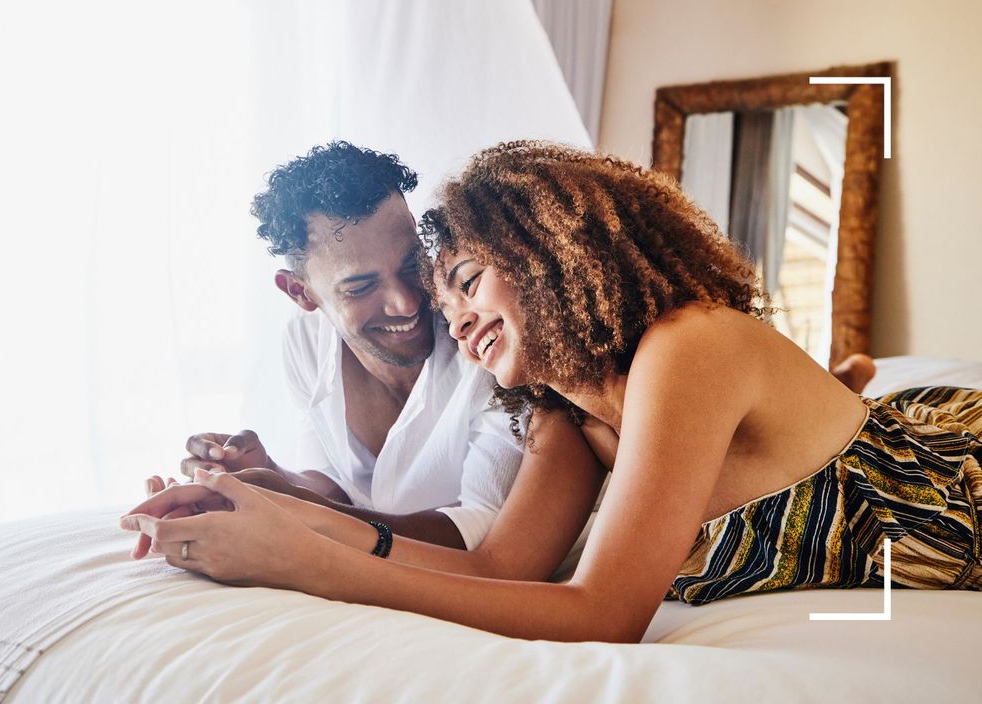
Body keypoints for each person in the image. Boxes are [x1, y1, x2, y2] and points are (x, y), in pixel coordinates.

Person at [122, 141, 981, 643]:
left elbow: (602, 613)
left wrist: (311, 564)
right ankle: (844, 392)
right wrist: (260, 509)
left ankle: (850, 397)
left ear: (548, 256)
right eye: (446, 296)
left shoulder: (692, 349)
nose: (446, 319)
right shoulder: (565, 417)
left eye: (461, 279)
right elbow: (497, 569)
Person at [139, 141, 589, 576]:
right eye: (360, 287)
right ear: (301, 292)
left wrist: (293, 508)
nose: (406, 302)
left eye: (412, 262)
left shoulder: (491, 345)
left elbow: (484, 537)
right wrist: (265, 477)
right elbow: (339, 485)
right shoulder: (305, 343)